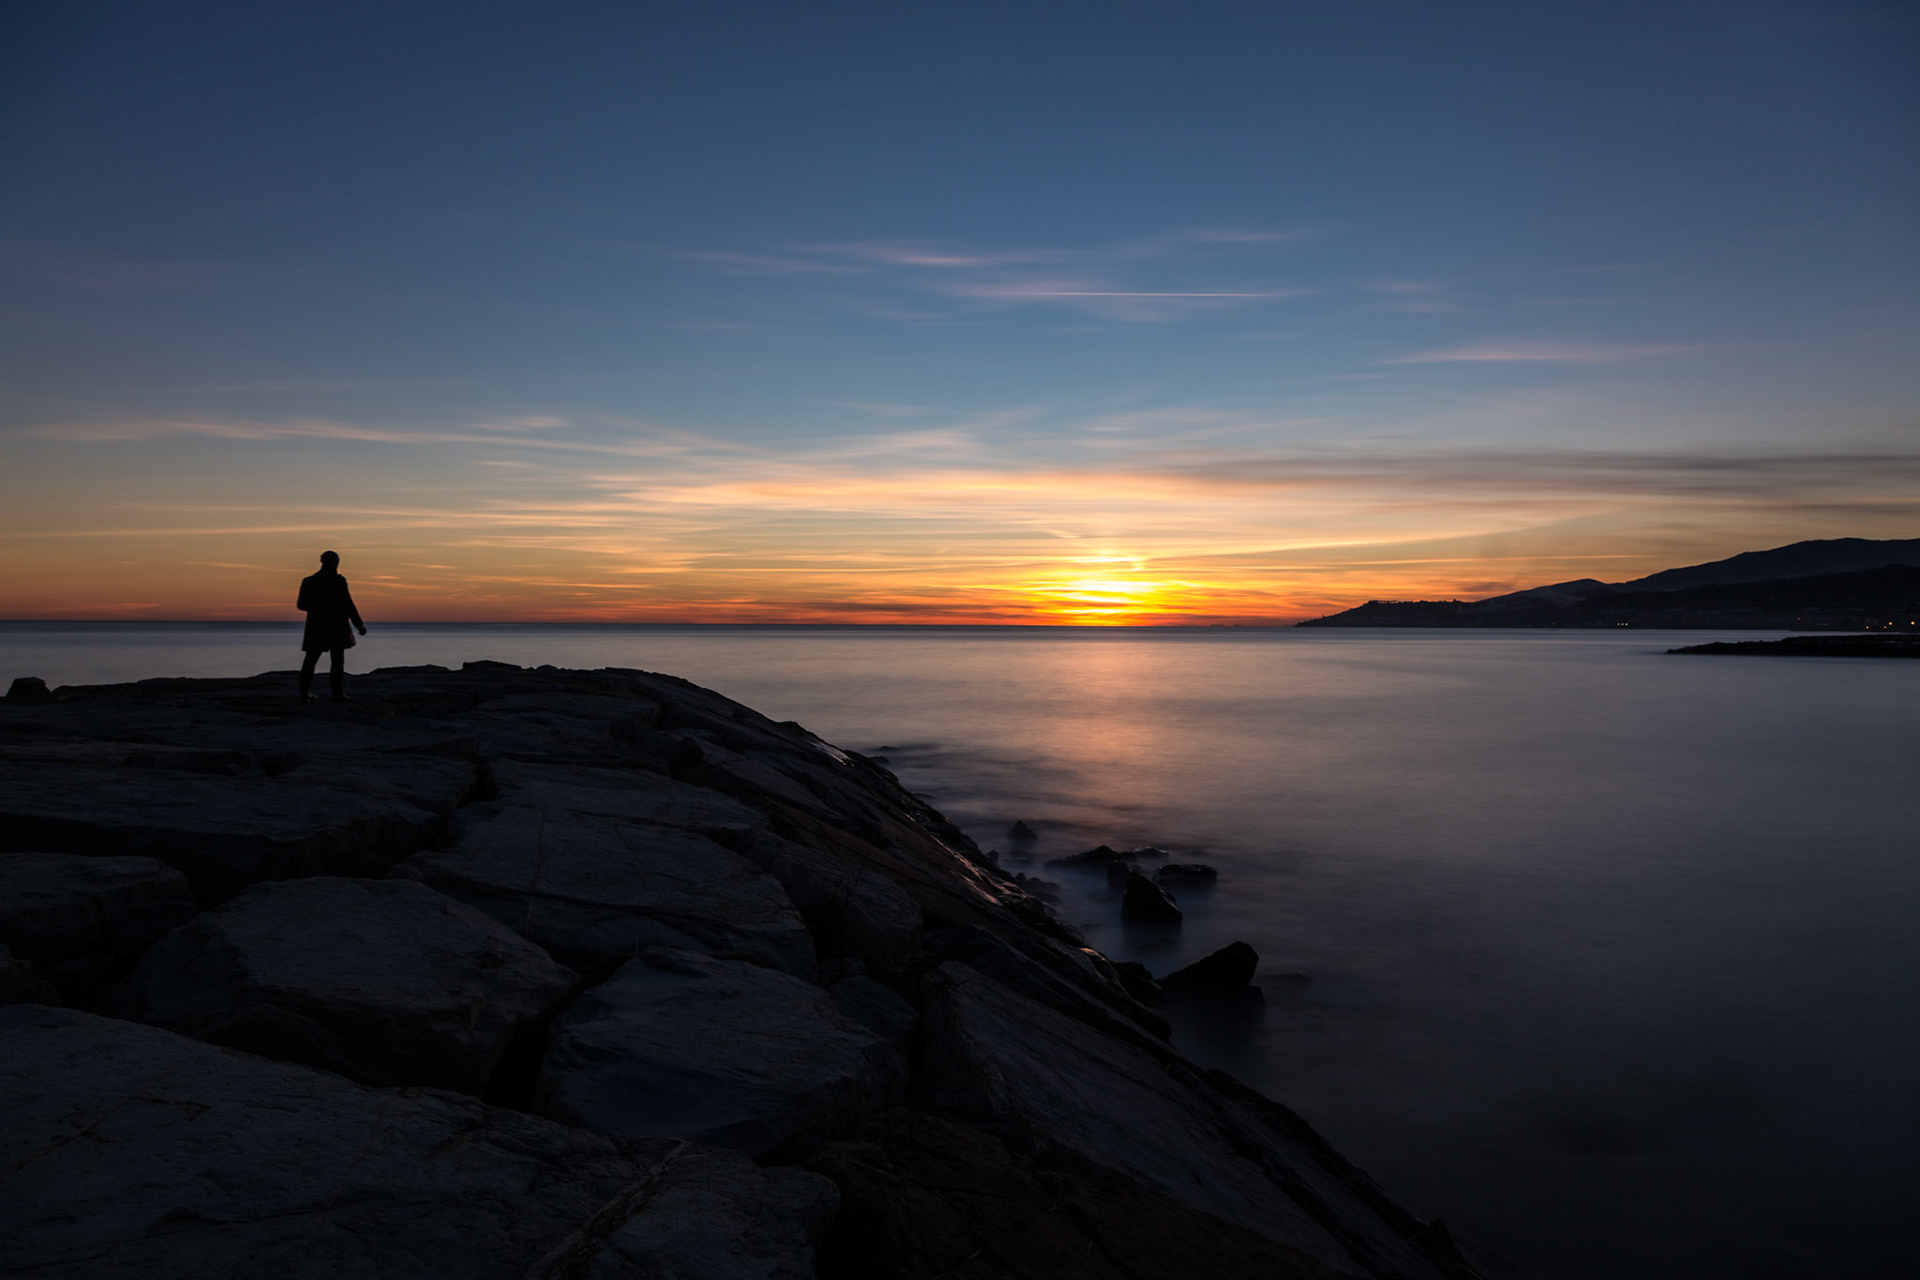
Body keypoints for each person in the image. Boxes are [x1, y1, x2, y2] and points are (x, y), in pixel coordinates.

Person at [296, 550, 367, 702]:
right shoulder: (314, 581)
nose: (336, 564)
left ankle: (333, 693)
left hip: (330, 625)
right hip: (327, 625)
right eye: (334, 561)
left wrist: (359, 624)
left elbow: (348, 604)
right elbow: (301, 604)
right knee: (316, 659)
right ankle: (311, 692)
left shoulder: (320, 581)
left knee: (332, 660)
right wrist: (358, 624)